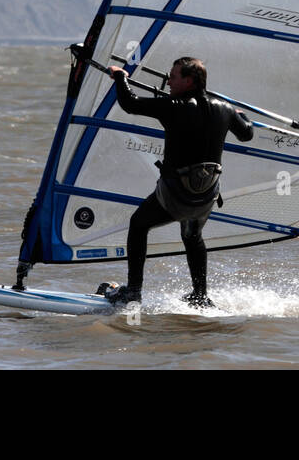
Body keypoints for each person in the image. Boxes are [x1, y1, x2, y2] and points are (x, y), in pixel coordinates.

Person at [98, 56, 252, 309]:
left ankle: (133, 292)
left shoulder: (174, 105)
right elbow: (246, 133)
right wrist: (239, 113)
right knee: (193, 236)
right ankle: (200, 296)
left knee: (138, 224)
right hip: (206, 196)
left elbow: (129, 103)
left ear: (189, 81)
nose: (168, 81)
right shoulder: (223, 108)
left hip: (176, 194)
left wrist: (121, 77)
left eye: (173, 77)